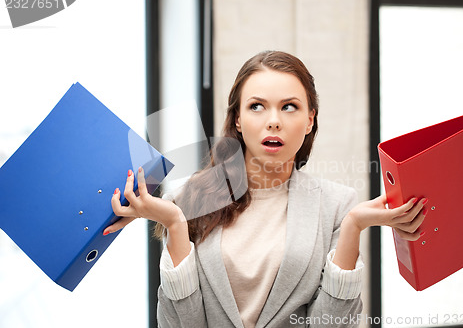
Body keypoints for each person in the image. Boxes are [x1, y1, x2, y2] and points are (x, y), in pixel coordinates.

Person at [103, 51, 427, 327]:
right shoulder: (189, 199)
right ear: (238, 119)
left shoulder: (337, 205)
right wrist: (174, 223)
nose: (273, 121)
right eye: (257, 106)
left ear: (310, 120)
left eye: (289, 107)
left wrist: (354, 226)